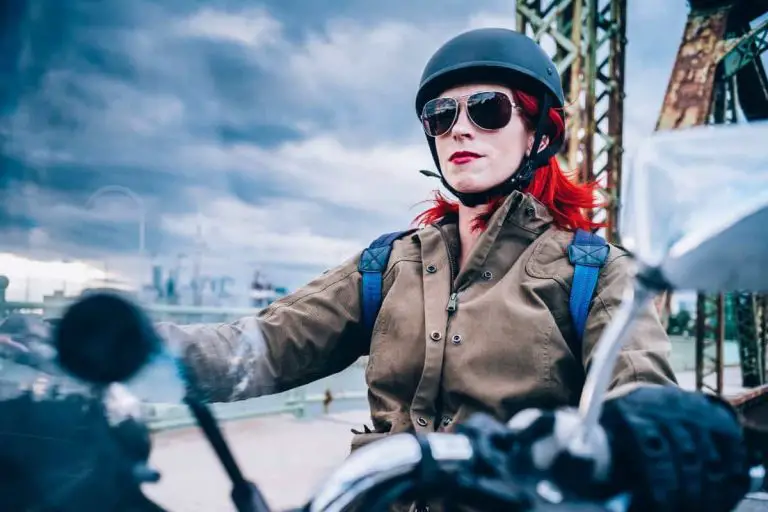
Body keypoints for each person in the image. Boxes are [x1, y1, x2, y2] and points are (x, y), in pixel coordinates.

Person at [149, 28, 749, 511]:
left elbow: (636, 388)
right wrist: (130, 349)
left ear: (540, 132)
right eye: (442, 115)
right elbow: (262, 347)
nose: (460, 127)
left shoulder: (593, 272)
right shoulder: (388, 265)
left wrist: (644, 431)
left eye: (487, 110)